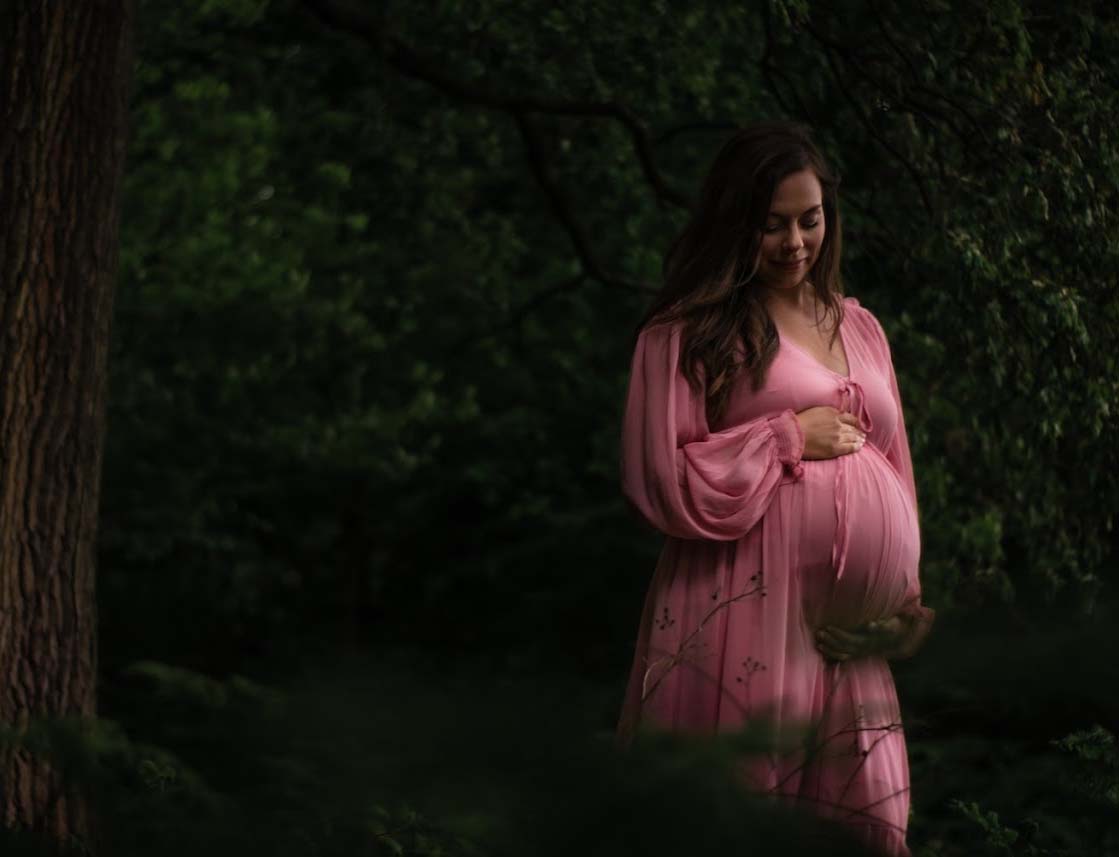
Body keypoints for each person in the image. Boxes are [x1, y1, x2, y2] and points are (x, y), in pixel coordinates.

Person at [615, 119, 936, 857]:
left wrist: (904, 604)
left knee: (863, 831)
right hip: (740, 607)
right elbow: (658, 477)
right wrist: (787, 435)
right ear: (735, 224)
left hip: (847, 642)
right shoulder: (687, 332)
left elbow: (896, 467)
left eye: (809, 219)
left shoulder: (860, 326)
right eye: (771, 225)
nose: (794, 242)